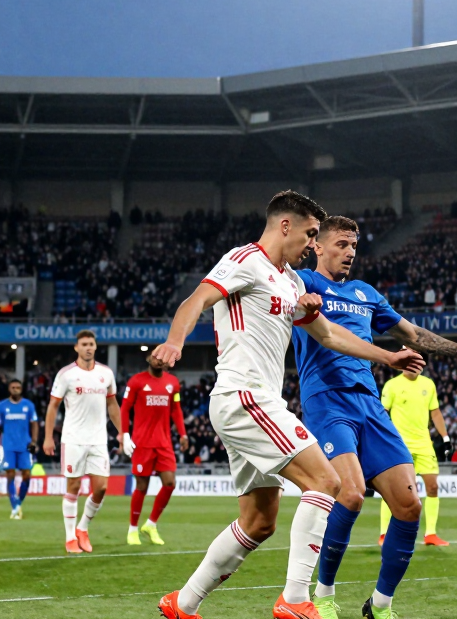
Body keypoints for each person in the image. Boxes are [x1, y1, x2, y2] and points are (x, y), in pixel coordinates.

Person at [151, 191, 424, 619]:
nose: (311, 243)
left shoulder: (293, 282)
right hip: (245, 395)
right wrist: (174, 341)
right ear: (285, 226)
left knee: (259, 521)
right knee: (327, 481)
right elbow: (197, 300)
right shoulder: (246, 260)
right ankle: (296, 600)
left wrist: (388, 357)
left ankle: (182, 604)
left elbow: (331, 336)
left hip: (250, 404)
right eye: (310, 234)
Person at [290, 215, 457, 619]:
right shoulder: (303, 282)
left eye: (354, 246)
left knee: (409, 505)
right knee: (351, 494)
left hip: (370, 404)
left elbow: (414, 334)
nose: (349, 253)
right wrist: (299, 302)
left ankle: (380, 605)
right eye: (341, 244)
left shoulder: (365, 293)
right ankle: (322, 594)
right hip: (328, 402)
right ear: (317, 246)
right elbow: (279, 293)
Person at [43, 329, 120, 554]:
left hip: (98, 440)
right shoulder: (66, 374)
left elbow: (113, 405)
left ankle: (82, 528)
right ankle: (69, 538)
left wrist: (123, 433)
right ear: (76, 348)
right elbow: (53, 406)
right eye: (83, 344)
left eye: (91, 344)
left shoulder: (106, 373)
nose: (88, 347)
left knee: (101, 488)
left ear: (96, 347)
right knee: (74, 486)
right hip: (73, 439)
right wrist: (48, 437)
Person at [120, 352, 189, 546]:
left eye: (162, 357)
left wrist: (183, 434)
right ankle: (132, 529)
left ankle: (151, 524)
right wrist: (124, 435)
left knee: (169, 483)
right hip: (142, 443)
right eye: (155, 356)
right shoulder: (136, 382)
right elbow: (125, 408)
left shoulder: (173, 383)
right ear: (149, 359)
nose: (158, 359)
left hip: (164, 443)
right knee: (142, 486)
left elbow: (176, 409)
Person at [379, 363, 451, 547]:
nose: (412, 366)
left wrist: (445, 438)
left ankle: (431, 535)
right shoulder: (392, 385)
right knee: (394, 490)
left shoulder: (428, 384)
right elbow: (382, 414)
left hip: (424, 444)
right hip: (400, 444)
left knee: (433, 487)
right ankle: (384, 534)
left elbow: (435, 413)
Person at [0, 379, 38, 519]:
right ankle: (14, 506)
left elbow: (34, 423)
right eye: (13, 387)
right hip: (8, 446)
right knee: (10, 475)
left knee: (27, 475)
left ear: (21, 389)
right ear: (9, 389)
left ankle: (18, 504)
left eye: (18, 387)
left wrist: (34, 441)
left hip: (24, 446)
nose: (16, 389)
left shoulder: (28, 405)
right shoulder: (2, 406)